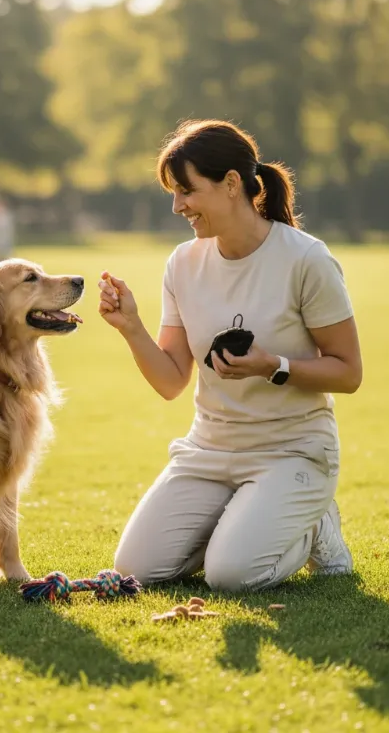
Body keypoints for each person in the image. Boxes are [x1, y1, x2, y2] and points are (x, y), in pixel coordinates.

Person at [98, 120, 363, 592]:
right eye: (173, 194)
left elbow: (348, 373)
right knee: (135, 570)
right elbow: (171, 381)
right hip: (210, 450)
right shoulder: (183, 263)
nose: (178, 206)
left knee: (232, 576)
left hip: (291, 449)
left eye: (186, 191)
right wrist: (131, 328)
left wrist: (274, 367)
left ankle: (313, 524)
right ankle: (246, 516)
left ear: (232, 184)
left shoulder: (306, 259)